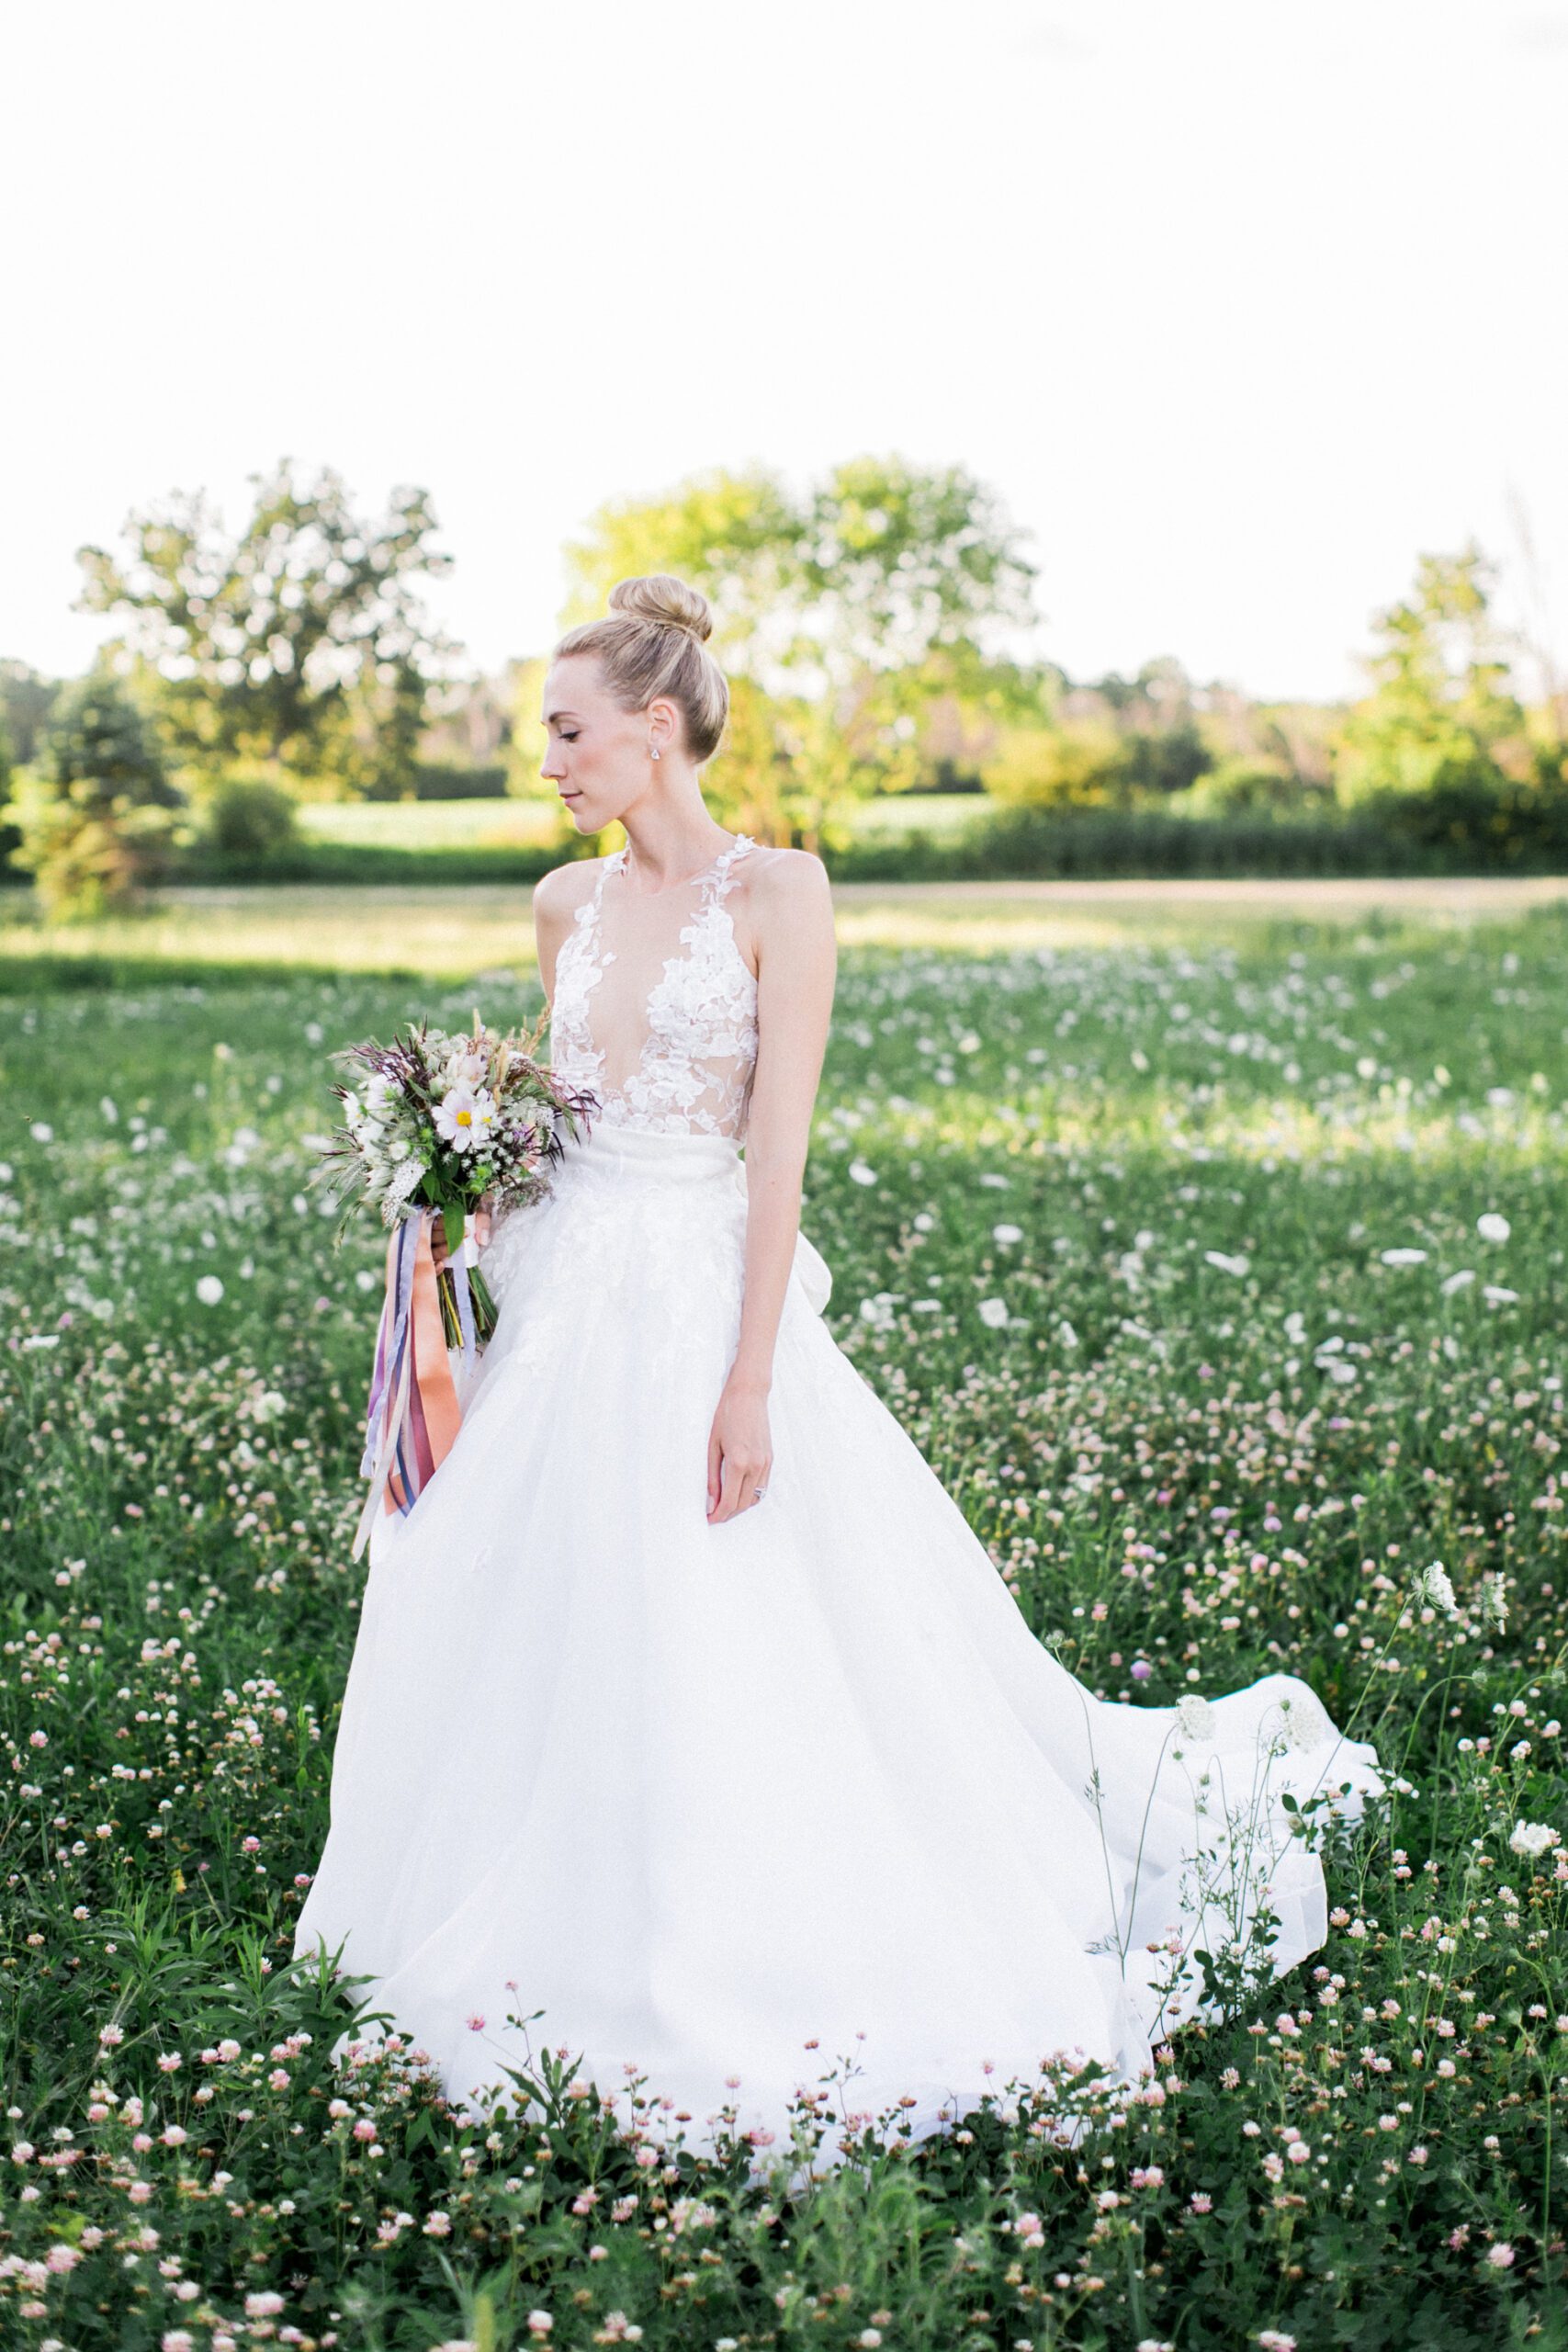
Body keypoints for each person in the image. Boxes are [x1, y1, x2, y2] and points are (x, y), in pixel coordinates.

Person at [292, 572, 1384, 2178]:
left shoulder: (779, 894)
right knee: (532, 1595)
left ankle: (750, 1926)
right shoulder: (559, 904)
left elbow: (774, 1156)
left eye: (570, 731)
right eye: (550, 735)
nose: (550, 760)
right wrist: (456, 1201)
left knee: (718, 1597)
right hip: (568, 1300)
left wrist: (748, 1382)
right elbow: (561, 1123)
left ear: (658, 729)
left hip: (699, 1301)